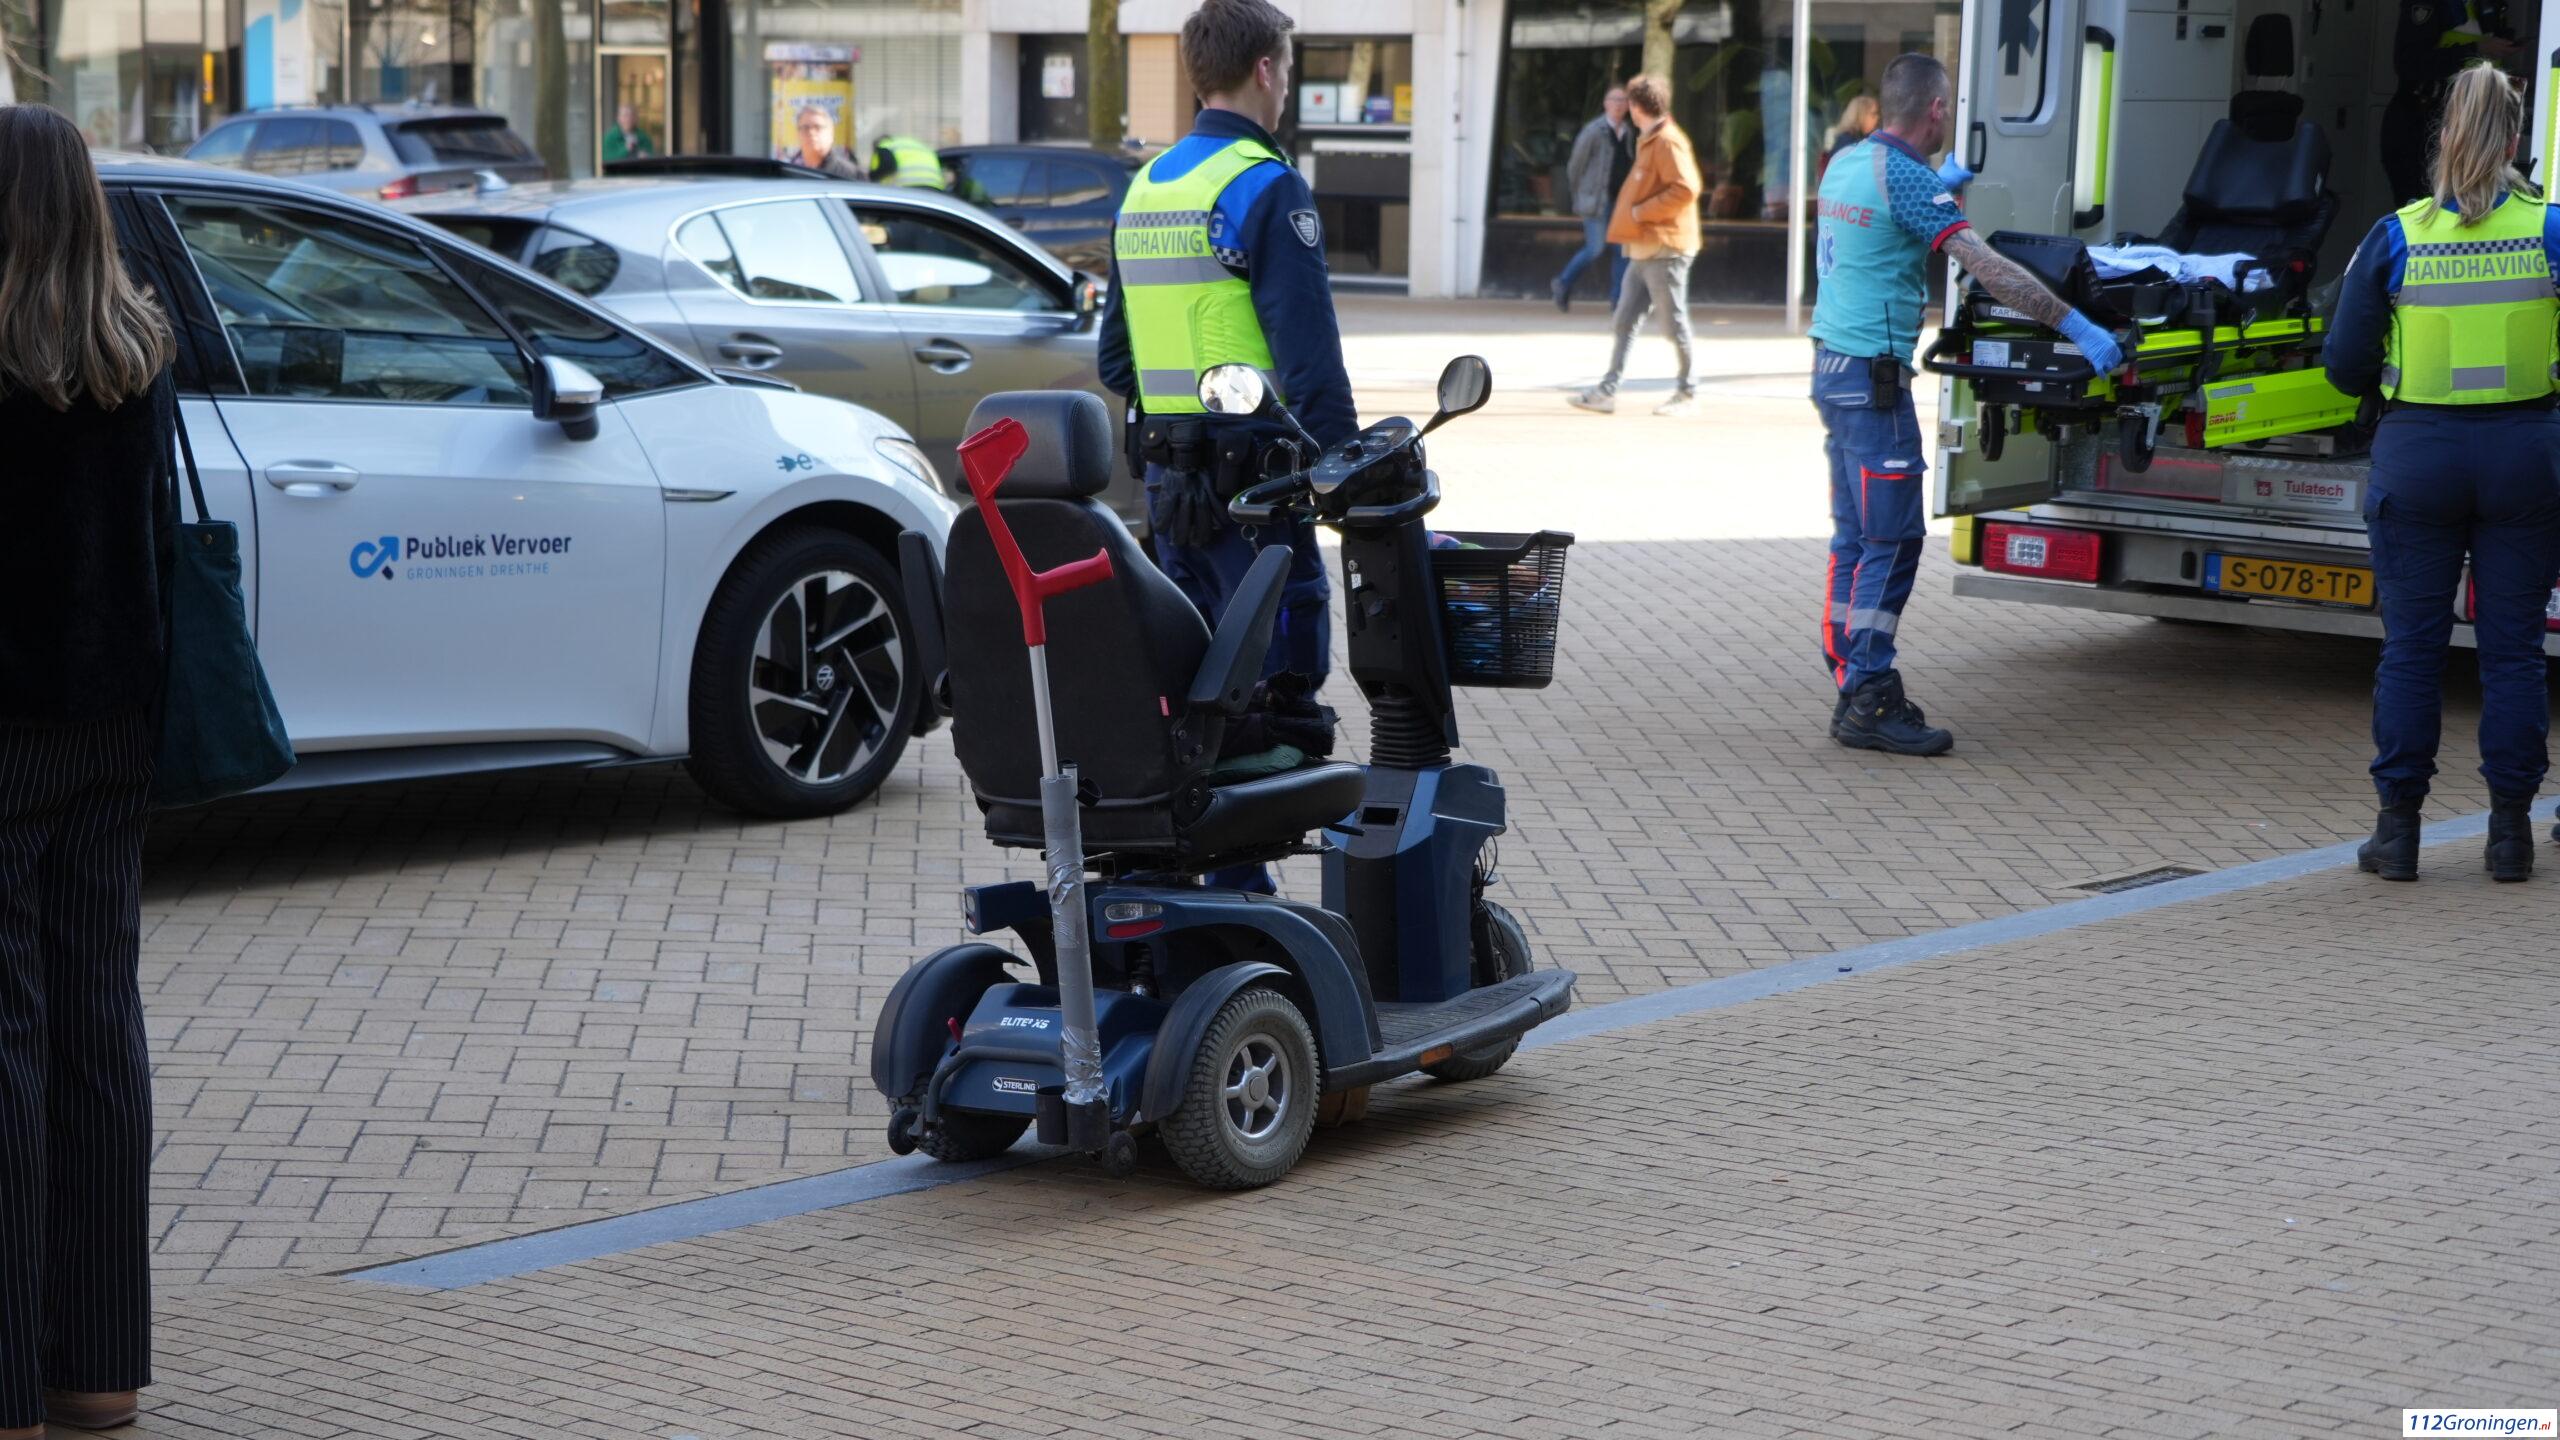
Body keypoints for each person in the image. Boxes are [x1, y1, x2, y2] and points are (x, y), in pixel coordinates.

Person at [0, 102, 179, 1440]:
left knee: (5, 1038)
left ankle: (5, 1377)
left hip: (4, 724)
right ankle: (98, 1373)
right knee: (98, 1025)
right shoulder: (138, 346)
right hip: (118, 719)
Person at [1097, 0, 1353, 893]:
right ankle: (1253, 925)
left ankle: (1212, 903)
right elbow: (1309, 363)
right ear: (1268, 70)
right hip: (1258, 501)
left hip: (1172, 497)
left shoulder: (1149, 186)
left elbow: (1116, 358)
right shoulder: (1263, 185)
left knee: (1200, 706)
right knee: (1278, 712)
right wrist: (1347, 472)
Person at [1806, 53, 2125, 756]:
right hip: (1872, 382)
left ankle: (1848, 673)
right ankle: (1867, 692)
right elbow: (1991, 271)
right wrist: (2073, 323)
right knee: (1893, 540)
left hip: (1832, 372)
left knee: (1858, 535)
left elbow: (1867, 237)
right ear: (1938, 111)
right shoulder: (1909, 180)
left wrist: (1934, 191)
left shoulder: (1846, 163)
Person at [2322, 63, 2560, 882]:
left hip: (2419, 456)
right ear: (2516, 138)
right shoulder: (2551, 229)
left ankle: (2398, 835)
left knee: (2413, 652)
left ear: (2443, 135)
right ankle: (2509, 837)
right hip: (2525, 457)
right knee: (2514, 653)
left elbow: (2345, 368)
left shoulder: (2395, 235)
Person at [1569, 75, 1701, 417]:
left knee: (1674, 323)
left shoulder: (1668, 141)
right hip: (1643, 249)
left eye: (1628, 102)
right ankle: (1607, 391)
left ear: (1637, 106)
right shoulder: (1650, 139)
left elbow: (1686, 188)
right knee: (1625, 319)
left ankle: (1688, 392)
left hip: (1665, 250)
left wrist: (1642, 211)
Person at [2381, 0, 2519, 203]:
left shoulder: (2485, 6)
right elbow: (2408, 62)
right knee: (2420, 217)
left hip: (2466, 127)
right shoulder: (2429, 5)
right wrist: (2476, 48)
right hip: (2420, 127)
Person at [1549, 86, 1634, 313]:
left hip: (1620, 202)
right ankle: (1563, 282)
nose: (1619, 104)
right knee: (1595, 248)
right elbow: (1575, 165)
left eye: (1623, 101)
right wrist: (1580, 194)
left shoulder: (1627, 132)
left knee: (1622, 252)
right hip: (1596, 202)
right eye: (1614, 99)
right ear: (1605, 103)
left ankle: (1618, 302)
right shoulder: (1594, 131)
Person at [779, 106, 863, 179]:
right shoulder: (785, 173)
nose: (811, 132)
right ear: (797, 134)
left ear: (831, 134)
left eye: (818, 127)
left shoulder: (851, 174)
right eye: (805, 127)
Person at [1820, 95, 1879, 180]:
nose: (1877, 118)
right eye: (1873, 114)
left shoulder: (1853, 140)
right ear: (1861, 115)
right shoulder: (1848, 143)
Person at [870, 133, 947, 190]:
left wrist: (872, 177)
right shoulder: (914, 145)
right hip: (935, 187)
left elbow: (887, 167)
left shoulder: (884, 146)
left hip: (909, 188)